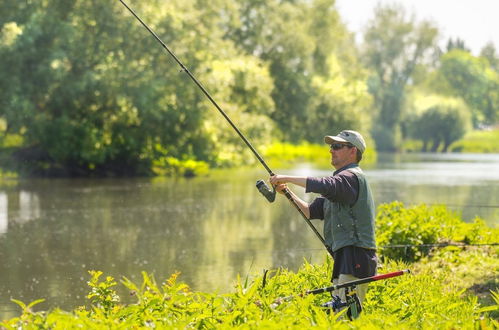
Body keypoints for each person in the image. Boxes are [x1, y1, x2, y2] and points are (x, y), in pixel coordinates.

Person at [269, 130, 377, 306]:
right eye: (331, 147)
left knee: (347, 314)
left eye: (337, 146)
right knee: (340, 312)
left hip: (356, 257)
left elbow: (325, 185)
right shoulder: (339, 185)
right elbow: (310, 212)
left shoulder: (351, 178)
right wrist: (287, 192)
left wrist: (286, 177)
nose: (331, 150)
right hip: (344, 257)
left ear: (353, 151)